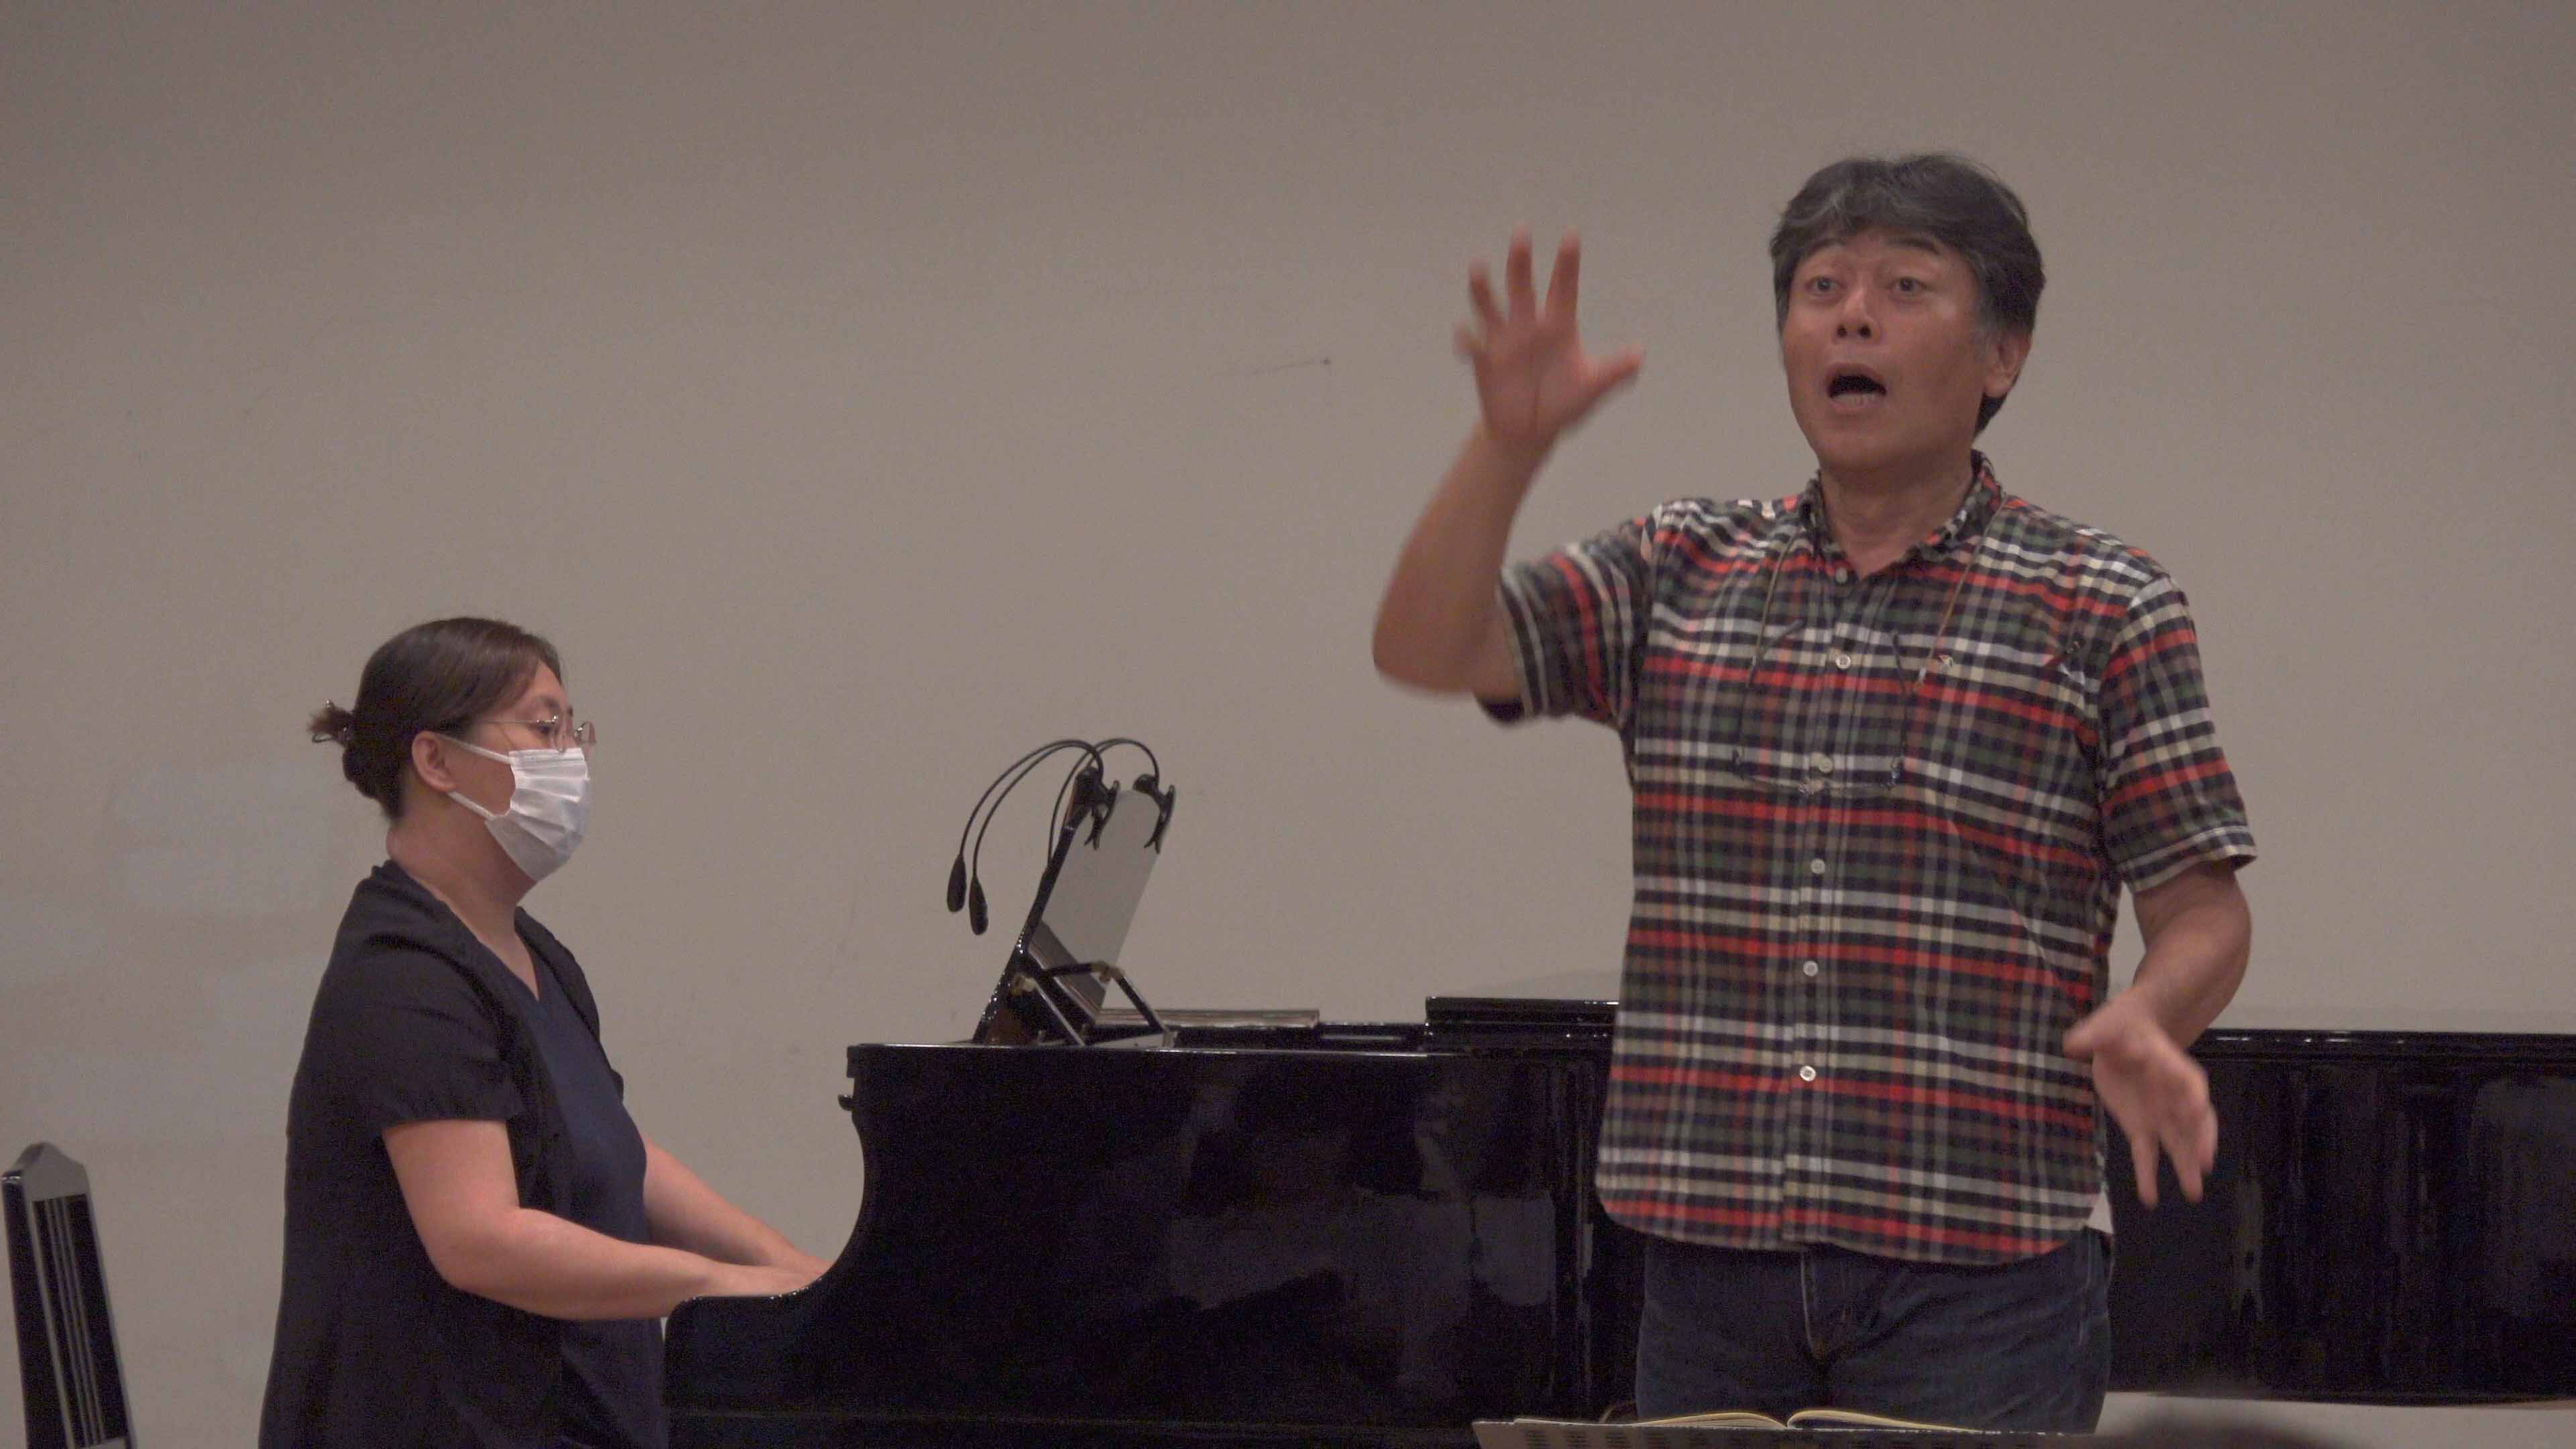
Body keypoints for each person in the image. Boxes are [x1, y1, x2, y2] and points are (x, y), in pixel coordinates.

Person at [1371, 154, 2255, 1432]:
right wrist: (1506, 451)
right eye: (1822, 288)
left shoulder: (2102, 604)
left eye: (1906, 288)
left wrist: (2150, 1015)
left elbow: (2203, 910)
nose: (1852, 318)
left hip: (1985, 1269)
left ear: (2001, 354)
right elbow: (1425, 648)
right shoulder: (1680, 567)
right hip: (1709, 1261)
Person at [261, 616, 829, 1448]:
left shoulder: (532, 955)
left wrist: (798, 1275)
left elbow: (607, 1151)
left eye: (570, 730)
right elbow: (481, 1241)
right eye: (543, 728)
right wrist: (719, 1287)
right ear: (437, 761)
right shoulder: (403, 979)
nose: (570, 757)